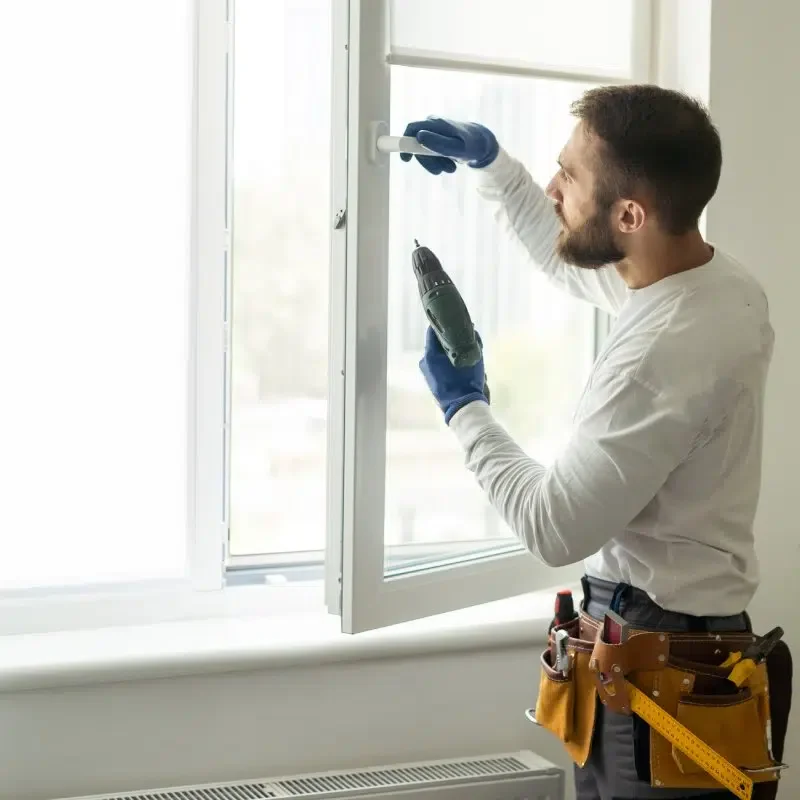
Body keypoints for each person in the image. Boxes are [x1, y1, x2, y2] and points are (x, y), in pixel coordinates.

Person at [403, 85, 781, 799]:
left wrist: (465, 406)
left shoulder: (663, 353)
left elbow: (553, 525)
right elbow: (571, 260)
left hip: (658, 667)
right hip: (674, 648)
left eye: (568, 176)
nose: (554, 187)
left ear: (631, 215)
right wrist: (496, 167)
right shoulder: (713, 286)